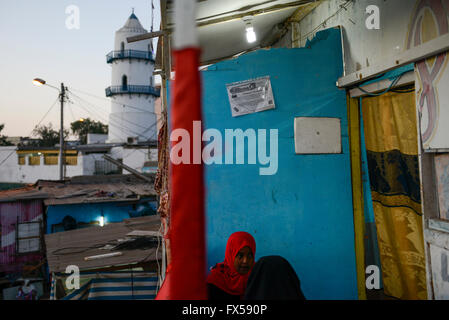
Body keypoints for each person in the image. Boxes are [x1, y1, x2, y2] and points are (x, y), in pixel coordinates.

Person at [207, 231, 256, 300]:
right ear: (231, 255)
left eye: (250, 256)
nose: (245, 261)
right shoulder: (216, 280)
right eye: (240, 256)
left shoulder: (257, 276)